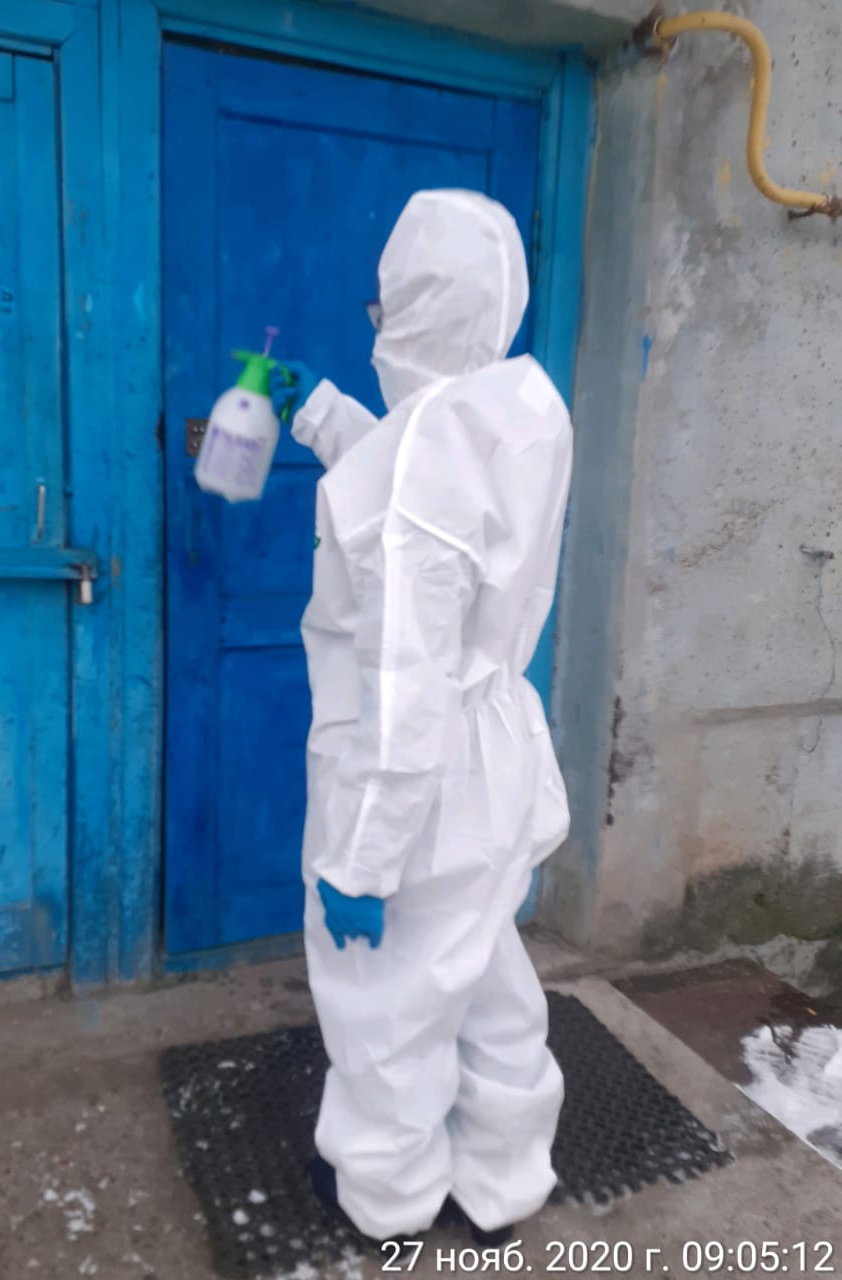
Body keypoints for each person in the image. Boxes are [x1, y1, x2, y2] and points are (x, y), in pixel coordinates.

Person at [269, 189, 572, 1247]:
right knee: (483, 972)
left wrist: (362, 860)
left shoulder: (429, 463)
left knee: (385, 998)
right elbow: (418, 481)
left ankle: (389, 1197)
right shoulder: (521, 412)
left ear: (413, 310)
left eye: (383, 306)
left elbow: (403, 689)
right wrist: (320, 410)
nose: (376, 324)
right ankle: (504, 1176)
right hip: (492, 758)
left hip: (416, 778)